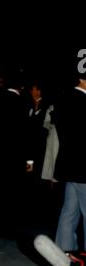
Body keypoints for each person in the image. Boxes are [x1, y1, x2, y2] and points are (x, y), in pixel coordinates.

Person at [54, 73, 86, 252]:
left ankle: (64, 252)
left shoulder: (63, 99)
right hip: (83, 166)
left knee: (69, 212)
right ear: (81, 79)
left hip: (69, 164)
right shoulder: (82, 101)